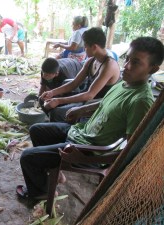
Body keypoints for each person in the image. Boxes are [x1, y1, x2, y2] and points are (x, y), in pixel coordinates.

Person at [16, 36, 164, 200]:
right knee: (36, 130)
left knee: (27, 157)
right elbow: (105, 101)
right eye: (127, 58)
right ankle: (53, 173)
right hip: (82, 133)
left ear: (153, 69)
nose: (126, 66)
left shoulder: (141, 102)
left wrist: (82, 157)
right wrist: (81, 109)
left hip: (88, 151)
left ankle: (40, 192)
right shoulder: (125, 83)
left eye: (136, 62)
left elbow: (129, 152)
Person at [41, 27, 120, 122]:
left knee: (56, 113)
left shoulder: (109, 65)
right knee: (44, 100)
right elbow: (74, 83)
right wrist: (52, 93)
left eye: (85, 46)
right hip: (84, 99)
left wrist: (59, 101)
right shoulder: (91, 61)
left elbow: (89, 95)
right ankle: (57, 125)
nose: (84, 49)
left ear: (94, 47)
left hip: (96, 105)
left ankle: (63, 130)